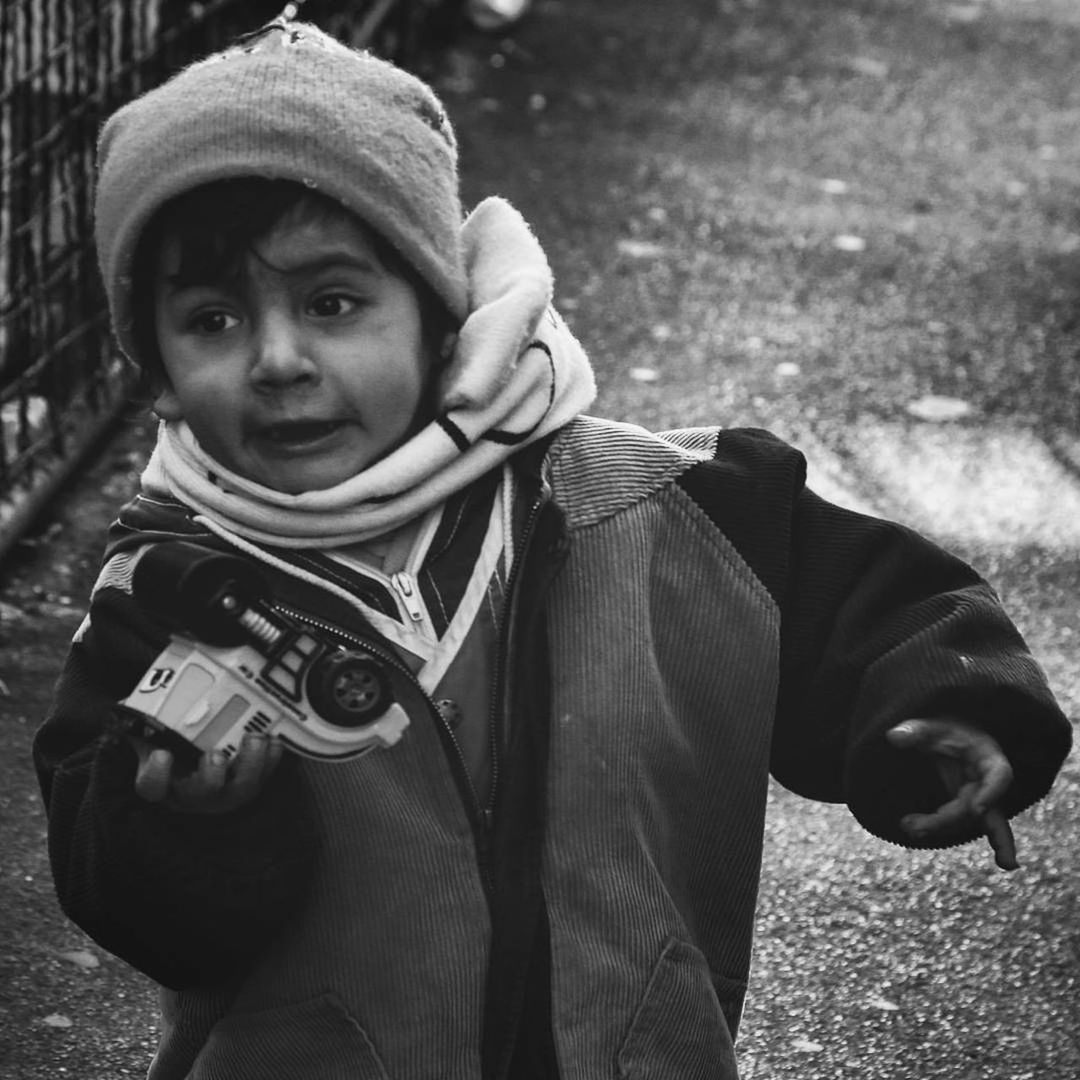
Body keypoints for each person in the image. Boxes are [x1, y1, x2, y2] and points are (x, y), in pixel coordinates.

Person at [33, 16, 1071, 1080]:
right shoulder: (166, 595)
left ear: (443, 316)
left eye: (333, 302)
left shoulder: (663, 507)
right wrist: (196, 828)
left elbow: (873, 612)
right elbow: (129, 899)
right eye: (212, 321)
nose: (280, 359)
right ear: (151, 370)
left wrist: (951, 707)